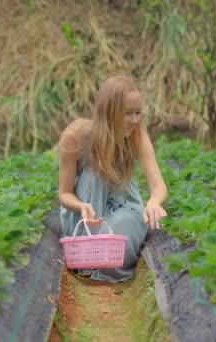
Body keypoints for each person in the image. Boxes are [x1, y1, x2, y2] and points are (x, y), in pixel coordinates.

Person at [58, 75, 168, 283]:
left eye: (138, 113)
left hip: (124, 205)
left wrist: (154, 202)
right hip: (87, 209)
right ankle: (90, 251)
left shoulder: (137, 136)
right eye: (127, 114)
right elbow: (64, 193)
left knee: (118, 240)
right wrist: (81, 206)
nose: (134, 120)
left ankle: (107, 258)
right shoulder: (75, 138)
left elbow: (157, 184)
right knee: (92, 176)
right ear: (109, 112)